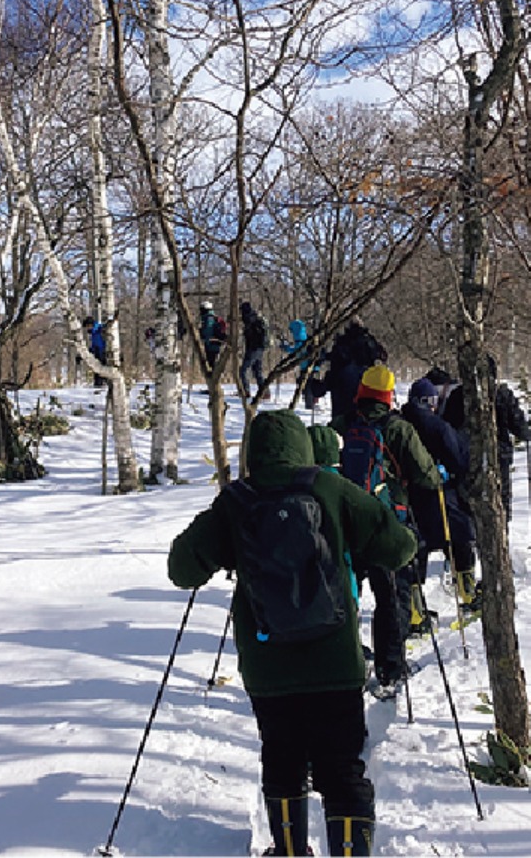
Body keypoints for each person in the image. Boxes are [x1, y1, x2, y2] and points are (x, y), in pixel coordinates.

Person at [169, 409, 415, 857]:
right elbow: (399, 548)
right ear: (303, 446)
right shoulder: (330, 488)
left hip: (269, 666)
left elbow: (181, 570)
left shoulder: (236, 500)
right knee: (343, 768)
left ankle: (288, 851)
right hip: (335, 661)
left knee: (282, 760)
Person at [333, 364, 440, 689]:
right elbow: (425, 474)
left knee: (348, 593)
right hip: (387, 524)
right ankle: (391, 668)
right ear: (389, 394)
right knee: (391, 596)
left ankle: (346, 659)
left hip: (346, 521)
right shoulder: (399, 429)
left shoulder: (344, 423)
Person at [401, 377, 478, 606]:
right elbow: (459, 460)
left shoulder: (400, 424)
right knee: (460, 537)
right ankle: (468, 593)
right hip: (440, 495)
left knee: (416, 549)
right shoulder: (438, 426)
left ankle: (415, 608)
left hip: (409, 499)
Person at [488, 355, 531, 522]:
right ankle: (502, 533)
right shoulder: (503, 395)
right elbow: (518, 425)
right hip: (500, 454)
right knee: (502, 498)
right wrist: (525, 432)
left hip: (470, 455)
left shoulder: (462, 395)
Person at [315, 319, 387, 420]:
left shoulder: (341, 349)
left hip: (342, 409)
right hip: (366, 411)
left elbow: (330, 380)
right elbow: (383, 356)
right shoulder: (369, 345)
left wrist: (316, 386)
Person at [239, 301, 268, 396]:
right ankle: (265, 392)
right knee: (257, 371)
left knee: (243, 370)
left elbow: (250, 334)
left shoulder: (249, 318)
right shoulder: (256, 318)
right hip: (260, 348)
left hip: (253, 348)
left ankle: (245, 391)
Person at [198, 301, 224, 372]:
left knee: (212, 363)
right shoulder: (210, 318)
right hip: (214, 343)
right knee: (212, 363)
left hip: (211, 344)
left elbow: (208, 331)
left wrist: (201, 333)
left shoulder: (209, 318)